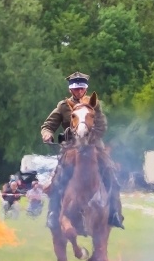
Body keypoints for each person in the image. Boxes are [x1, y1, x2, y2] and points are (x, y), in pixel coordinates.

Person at [40, 71, 124, 230]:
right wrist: (47, 134)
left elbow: (102, 126)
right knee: (57, 180)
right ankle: (53, 213)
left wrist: (89, 139)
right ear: (71, 90)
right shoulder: (63, 106)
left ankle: (114, 212)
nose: (79, 91)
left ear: (85, 89)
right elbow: (48, 125)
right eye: (76, 89)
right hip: (71, 148)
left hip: (94, 146)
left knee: (110, 173)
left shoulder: (95, 104)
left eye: (81, 88)